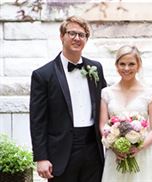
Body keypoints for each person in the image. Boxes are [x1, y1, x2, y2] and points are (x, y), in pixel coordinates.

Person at [29, 16, 106, 182]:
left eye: (82, 35)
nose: (77, 38)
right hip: (61, 152)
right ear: (62, 36)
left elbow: (106, 105)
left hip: (93, 149)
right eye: (72, 33)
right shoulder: (43, 75)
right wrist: (41, 157)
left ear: (86, 39)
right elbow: (37, 121)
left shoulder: (96, 68)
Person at [100, 45, 152, 181]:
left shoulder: (149, 94)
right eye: (122, 64)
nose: (126, 68)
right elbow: (103, 124)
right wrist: (114, 146)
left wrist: (138, 147)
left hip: (143, 154)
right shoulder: (107, 93)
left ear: (138, 65)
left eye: (131, 64)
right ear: (116, 65)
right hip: (116, 155)